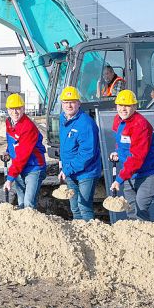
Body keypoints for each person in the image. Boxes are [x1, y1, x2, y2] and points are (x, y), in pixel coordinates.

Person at [109, 89, 154, 221]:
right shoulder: (118, 120)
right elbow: (121, 142)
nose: (123, 109)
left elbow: (137, 157)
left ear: (134, 106)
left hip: (148, 173)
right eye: (120, 105)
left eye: (127, 105)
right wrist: (118, 152)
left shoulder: (140, 125)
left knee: (140, 210)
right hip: (130, 173)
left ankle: (146, 240)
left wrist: (119, 180)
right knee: (131, 210)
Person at [57, 86, 102, 221]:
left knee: (84, 206)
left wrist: (68, 169)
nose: (69, 105)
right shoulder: (62, 119)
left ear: (78, 103)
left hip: (86, 172)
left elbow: (87, 153)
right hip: (70, 171)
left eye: (72, 102)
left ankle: (90, 234)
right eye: (66, 102)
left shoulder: (86, 123)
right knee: (74, 208)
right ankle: (79, 236)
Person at [3, 93, 46, 209]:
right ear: (7, 110)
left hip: (34, 167)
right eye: (12, 109)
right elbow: (13, 142)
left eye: (18, 108)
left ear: (23, 109)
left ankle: (33, 226)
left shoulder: (28, 127)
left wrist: (10, 179)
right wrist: (8, 151)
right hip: (20, 168)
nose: (15, 112)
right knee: (21, 202)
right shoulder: (9, 123)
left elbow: (22, 156)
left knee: (28, 204)